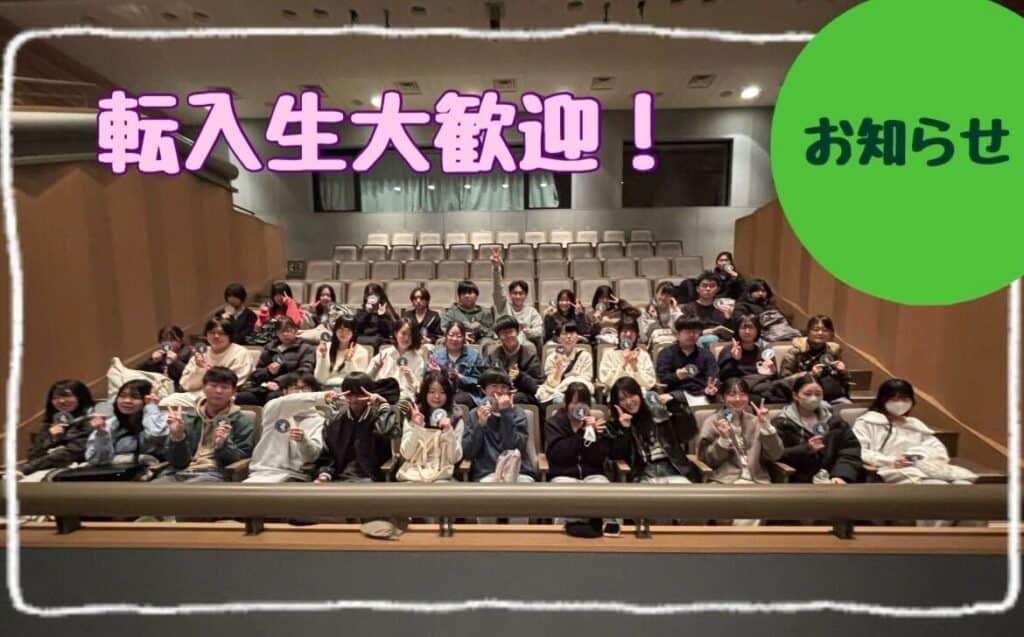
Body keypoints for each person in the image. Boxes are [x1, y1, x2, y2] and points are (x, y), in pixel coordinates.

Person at [853, 379, 973, 487]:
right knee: (936, 485)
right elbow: (859, 451)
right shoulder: (867, 422)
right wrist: (892, 460)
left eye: (905, 399)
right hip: (890, 468)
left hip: (923, 466)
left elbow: (938, 449)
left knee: (963, 484)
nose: (900, 403)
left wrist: (919, 456)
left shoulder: (914, 424)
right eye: (895, 399)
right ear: (883, 400)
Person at [153, 367, 255, 482]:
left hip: (214, 473)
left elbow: (241, 460)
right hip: (178, 471)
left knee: (191, 489)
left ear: (234, 391)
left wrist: (223, 444)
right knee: (152, 489)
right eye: (213, 385)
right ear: (203, 387)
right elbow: (177, 462)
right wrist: (178, 438)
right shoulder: (187, 418)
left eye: (225, 387)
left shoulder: (242, 420)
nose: (218, 391)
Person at [545, 382, 618, 537]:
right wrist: (581, 434)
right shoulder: (555, 423)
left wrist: (594, 435)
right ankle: (561, 539)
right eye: (574, 402)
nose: (579, 407)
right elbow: (558, 455)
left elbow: (598, 458)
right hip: (564, 474)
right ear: (567, 404)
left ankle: (611, 537)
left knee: (608, 494)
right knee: (564, 495)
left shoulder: (596, 424)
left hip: (593, 475)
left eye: (583, 403)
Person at [773, 374, 863, 484]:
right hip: (799, 482)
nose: (814, 398)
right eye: (808, 394)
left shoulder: (835, 422)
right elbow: (776, 455)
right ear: (795, 395)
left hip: (833, 479)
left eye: (818, 394)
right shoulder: (782, 423)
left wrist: (841, 475)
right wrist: (806, 449)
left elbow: (850, 450)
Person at [244, 373, 331, 483]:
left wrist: (303, 440)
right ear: (285, 392)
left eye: (305, 388)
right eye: (295, 388)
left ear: (314, 391)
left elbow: (311, 457)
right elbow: (291, 401)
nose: (300, 393)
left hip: (295, 475)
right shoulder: (274, 408)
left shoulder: (319, 421)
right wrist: (321, 397)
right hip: (262, 471)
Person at [314, 373, 400, 483]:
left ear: (370, 394)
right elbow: (328, 455)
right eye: (350, 395)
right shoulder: (334, 421)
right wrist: (325, 473)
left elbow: (384, 432)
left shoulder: (381, 416)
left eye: (360, 394)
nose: (354, 399)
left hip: (371, 476)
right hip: (339, 476)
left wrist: (383, 405)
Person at [696, 378, 784, 486]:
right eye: (732, 395)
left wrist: (766, 426)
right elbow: (707, 460)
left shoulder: (756, 421)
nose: (738, 399)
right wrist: (723, 440)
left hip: (758, 481)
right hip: (725, 481)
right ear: (722, 398)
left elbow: (775, 455)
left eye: (742, 394)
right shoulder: (713, 422)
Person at [607, 377, 696, 483]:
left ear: (639, 393)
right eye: (622, 399)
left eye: (631, 396)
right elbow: (617, 456)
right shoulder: (616, 424)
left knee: (687, 490)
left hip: (673, 468)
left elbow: (687, 435)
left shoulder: (658, 411)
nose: (629, 402)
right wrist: (624, 428)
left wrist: (676, 406)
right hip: (644, 473)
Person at [461, 370, 536, 482]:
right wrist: (480, 425)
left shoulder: (518, 413)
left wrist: (506, 413)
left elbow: (513, 447)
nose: (499, 391)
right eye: (494, 386)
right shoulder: (474, 414)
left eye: (503, 387)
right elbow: (468, 452)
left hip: (518, 472)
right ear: (484, 390)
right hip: (487, 473)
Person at [398, 371, 466, 483]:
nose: (437, 396)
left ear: (448, 394)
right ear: (424, 393)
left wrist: (449, 431)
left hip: (442, 475)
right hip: (414, 473)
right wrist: (417, 428)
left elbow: (454, 458)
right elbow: (406, 454)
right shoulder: (414, 415)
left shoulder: (456, 418)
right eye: (432, 392)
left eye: (442, 392)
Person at [18, 380, 95, 478]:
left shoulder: (91, 420)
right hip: (43, 469)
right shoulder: (48, 424)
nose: (61, 401)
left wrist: (28, 468)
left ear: (80, 397)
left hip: (78, 471)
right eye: (56, 398)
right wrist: (50, 438)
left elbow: (72, 453)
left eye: (66, 396)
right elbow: (32, 455)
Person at [236, 317, 316, 406]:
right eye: (281, 331)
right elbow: (257, 373)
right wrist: (268, 371)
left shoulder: (305, 348)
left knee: (272, 397)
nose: (285, 334)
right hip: (265, 387)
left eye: (288, 331)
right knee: (242, 397)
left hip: (290, 387)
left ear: (295, 331)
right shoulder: (269, 347)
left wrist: (278, 382)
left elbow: (304, 372)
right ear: (277, 333)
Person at [86, 379, 166, 466]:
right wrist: (101, 434)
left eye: (135, 397)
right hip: (119, 471)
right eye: (122, 396)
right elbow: (96, 460)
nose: (127, 401)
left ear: (146, 399)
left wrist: (151, 405)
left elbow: (156, 434)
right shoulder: (111, 423)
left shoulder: (160, 418)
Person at [715, 314, 788, 405]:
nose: (747, 331)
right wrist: (735, 360)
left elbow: (773, 378)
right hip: (739, 391)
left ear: (757, 330)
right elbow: (723, 378)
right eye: (743, 328)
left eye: (751, 327)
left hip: (762, 388)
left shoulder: (764, 352)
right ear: (737, 330)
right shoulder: (728, 350)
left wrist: (773, 371)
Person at [778, 315, 851, 404]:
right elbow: (784, 380)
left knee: (847, 406)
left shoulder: (833, 351)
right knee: (824, 406)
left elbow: (845, 381)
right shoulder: (795, 352)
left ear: (831, 333)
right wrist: (810, 375)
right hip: (806, 397)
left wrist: (843, 372)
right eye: (816, 330)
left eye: (825, 330)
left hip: (833, 395)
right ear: (808, 332)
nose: (820, 333)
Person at [655, 316, 719, 407]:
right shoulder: (666, 353)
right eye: (688, 332)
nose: (692, 335)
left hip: (701, 393)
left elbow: (713, 377)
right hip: (675, 394)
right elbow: (662, 377)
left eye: (695, 332)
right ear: (677, 334)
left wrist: (711, 388)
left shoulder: (706, 354)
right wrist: (676, 376)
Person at [178, 316, 254, 391]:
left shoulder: (240, 353)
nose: (216, 336)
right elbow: (185, 384)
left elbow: (234, 383)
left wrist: (207, 370)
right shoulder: (201, 353)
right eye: (212, 332)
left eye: (221, 333)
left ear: (230, 335)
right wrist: (200, 368)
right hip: (194, 393)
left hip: (223, 395)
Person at [490, 249, 543, 349]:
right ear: (510, 295)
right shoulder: (503, 305)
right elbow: (497, 290)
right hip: (504, 340)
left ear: (525, 295)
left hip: (524, 343)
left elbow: (539, 329)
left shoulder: (531, 311)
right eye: (515, 293)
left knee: (530, 347)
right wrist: (496, 269)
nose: (518, 296)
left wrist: (529, 332)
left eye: (521, 293)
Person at [485, 316, 543, 405]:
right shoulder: (493, 355)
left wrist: (520, 376)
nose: (508, 336)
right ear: (498, 336)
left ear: (518, 332)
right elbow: (486, 379)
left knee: (514, 398)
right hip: (498, 392)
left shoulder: (530, 354)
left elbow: (536, 386)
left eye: (510, 332)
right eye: (503, 333)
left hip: (523, 394)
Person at [367, 317, 426, 406]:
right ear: (395, 333)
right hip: (382, 394)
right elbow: (366, 381)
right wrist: (375, 368)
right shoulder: (384, 354)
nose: (406, 338)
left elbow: (418, 390)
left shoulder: (418, 359)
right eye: (403, 333)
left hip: (404, 398)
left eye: (410, 335)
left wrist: (410, 375)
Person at [428, 322, 486, 409]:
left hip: (466, 393)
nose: (454, 339)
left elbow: (481, 382)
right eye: (451, 335)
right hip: (441, 392)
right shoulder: (436, 356)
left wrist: (460, 377)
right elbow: (426, 378)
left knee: (455, 399)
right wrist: (437, 374)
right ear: (446, 337)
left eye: (459, 336)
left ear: (464, 338)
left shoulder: (474, 356)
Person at [536, 322, 594, 405]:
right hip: (559, 393)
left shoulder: (585, 356)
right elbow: (552, 384)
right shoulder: (551, 358)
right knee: (559, 400)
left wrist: (567, 380)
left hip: (580, 392)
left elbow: (586, 380)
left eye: (572, 333)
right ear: (559, 338)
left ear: (577, 337)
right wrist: (558, 369)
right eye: (565, 333)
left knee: (592, 401)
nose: (569, 336)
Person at [598, 319, 656, 392]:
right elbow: (607, 381)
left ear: (637, 334)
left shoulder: (644, 355)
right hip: (616, 393)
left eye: (632, 331)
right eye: (625, 331)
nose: (628, 334)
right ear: (619, 334)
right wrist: (623, 363)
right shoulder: (609, 354)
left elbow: (649, 383)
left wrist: (634, 367)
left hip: (639, 394)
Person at [681, 271, 735, 348]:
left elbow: (731, 332)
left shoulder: (722, 307)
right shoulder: (688, 308)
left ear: (717, 289)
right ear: (698, 289)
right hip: (698, 340)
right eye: (704, 286)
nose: (708, 289)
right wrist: (703, 332)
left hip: (721, 341)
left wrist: (728, 317)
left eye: (712, 286)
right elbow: (684, 330)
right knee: (710, 339)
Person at [315, 316, 370, 388]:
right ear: (335, 330)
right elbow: (319, 379)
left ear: (354, 333)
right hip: (326, 388)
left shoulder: (362, 352)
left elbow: (359, 381)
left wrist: (349, 360)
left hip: (349, 389)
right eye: (340, 329)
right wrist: (323, 357)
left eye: (348, 330)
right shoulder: (324, 348)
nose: (343, 333)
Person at [441, 280, 496, 350]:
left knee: (489, 343)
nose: (467, 296)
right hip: (456, 338)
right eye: (463, 293)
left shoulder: (485, 313)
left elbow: (491, 332)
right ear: (459, 297)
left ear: (476, 295)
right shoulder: (452, 312)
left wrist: (480, 328)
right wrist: (460, 335)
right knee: (441, 341)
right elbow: (444, 328)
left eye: (470, 293)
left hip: (480, 340)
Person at [135, 325, 193, 391]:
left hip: (182, 390)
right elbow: (138, 370)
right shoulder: (162, 354)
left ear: (181, 341)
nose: (167, 343)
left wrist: (176, 361)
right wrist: (152, 360)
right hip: (162, 389)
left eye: (172, 340)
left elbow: (192, 374)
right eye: (164, 340)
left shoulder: (190, 351)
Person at [354, 283, 399, 349]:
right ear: (366, 297)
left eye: (374, 294)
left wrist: (382, 316)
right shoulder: (361, 312)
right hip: (363, 340)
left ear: (379, 296)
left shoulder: (387, 312)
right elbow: (356, 329)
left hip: (379, 342)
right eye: (369, 295)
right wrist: (366, 313)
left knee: (377, 340)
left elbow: (388, 332)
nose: (372, 297)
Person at [639, 282, 682, 346]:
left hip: (673, 342)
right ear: (656, 294)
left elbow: (681, 327)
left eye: (668, 295)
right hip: (655, 344)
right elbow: (645, 337)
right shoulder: (646, 310)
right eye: (662, 294)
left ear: (671, 297)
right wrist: (654, 318)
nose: (664, 297)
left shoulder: (674, 309)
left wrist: (675, 311)